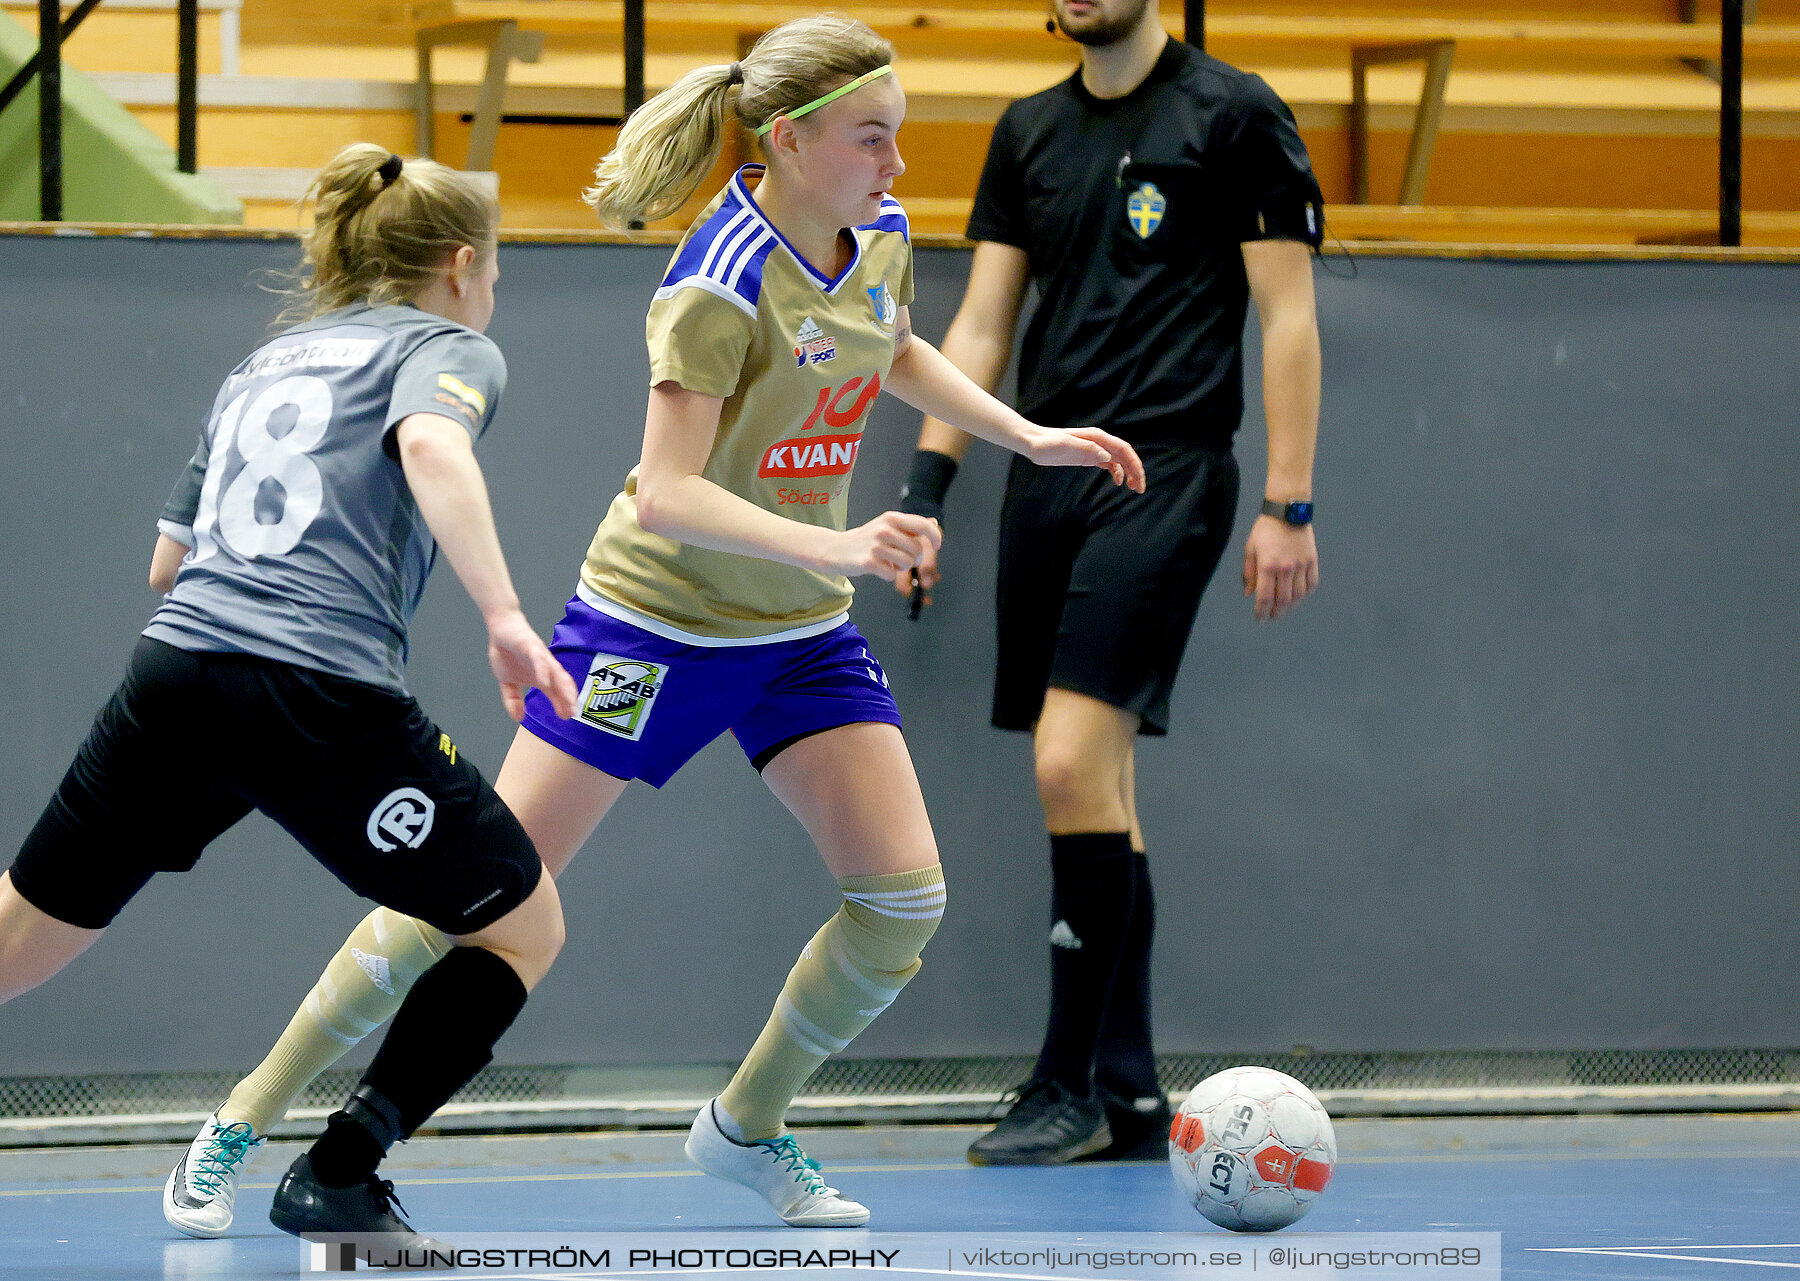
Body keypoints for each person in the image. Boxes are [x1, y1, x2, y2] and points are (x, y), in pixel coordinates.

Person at [156, 14, 1146, 1237]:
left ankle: (746, 1128)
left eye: (899, 139)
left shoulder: (876, 231)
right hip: (652, 628)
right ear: (788, 141)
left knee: (901, 902)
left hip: (796, 634)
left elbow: (889, 351)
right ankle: (243, 1119)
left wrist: (1030, 435)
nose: (899, 166)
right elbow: (670, 492)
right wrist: (841, 541)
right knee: (473, 895)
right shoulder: (714, 279)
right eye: (873, 139)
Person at [0, 143, 580, 1255]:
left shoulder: (262, 368)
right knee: (522, 923)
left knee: (25, 930)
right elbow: (431, 444)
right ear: (462, 266)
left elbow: (168, 563)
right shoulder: (450, 347)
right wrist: (506, 616)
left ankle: (326, 1170)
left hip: (175, 670)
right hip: (317, 690)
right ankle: (339, 1173)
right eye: (494, 273)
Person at [894, 0, 1326, 1165]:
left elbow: (1287, 314)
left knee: (1069, 760)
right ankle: (1128, 1094)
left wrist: (1290, 500)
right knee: (1100, 791)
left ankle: (1066, 1082)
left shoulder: (1233, 115)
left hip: (1169, 468)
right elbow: (983, 325)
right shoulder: (1028, 129)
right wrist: (927, 494)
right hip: (1049, 477)